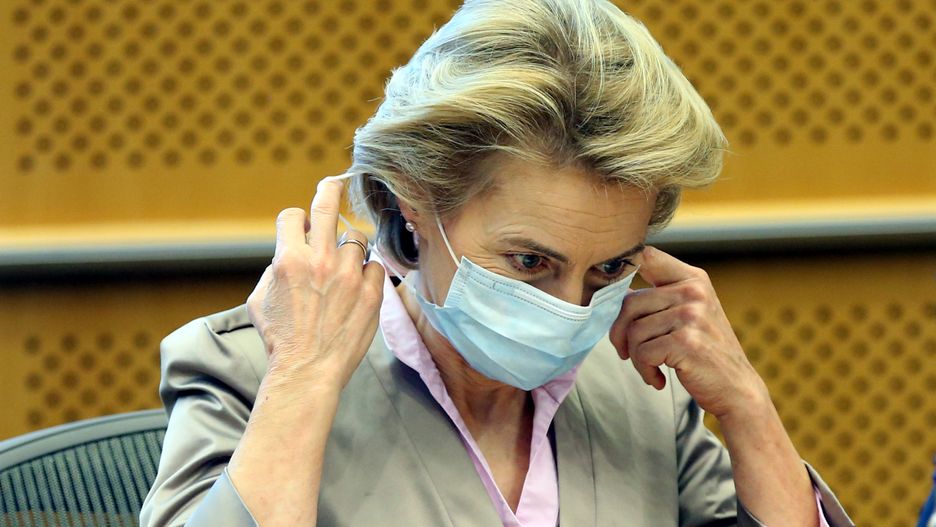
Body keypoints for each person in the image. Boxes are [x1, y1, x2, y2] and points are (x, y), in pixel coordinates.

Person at [140, 0, 855, 525]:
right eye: (531, 260)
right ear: (412, 203)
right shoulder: (256, 368)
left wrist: (748, 406)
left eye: (610, 268)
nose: (573, 309)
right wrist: (301, 383)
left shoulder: (641, 385)